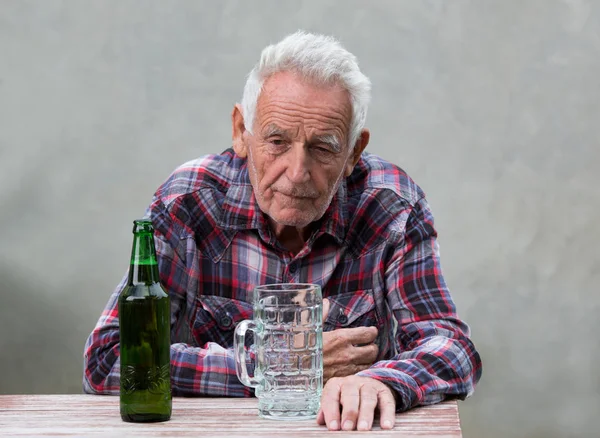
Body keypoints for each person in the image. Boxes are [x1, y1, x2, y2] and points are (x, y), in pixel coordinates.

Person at [83, 30, 482, 431]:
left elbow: (453, 349)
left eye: (323, 148)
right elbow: (110, 358)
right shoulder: (189, 201)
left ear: (353, 153)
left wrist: (384, 382)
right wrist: (282, 365)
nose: (296, 173)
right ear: (241, 132)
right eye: (277, 141)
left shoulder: (392, 205)